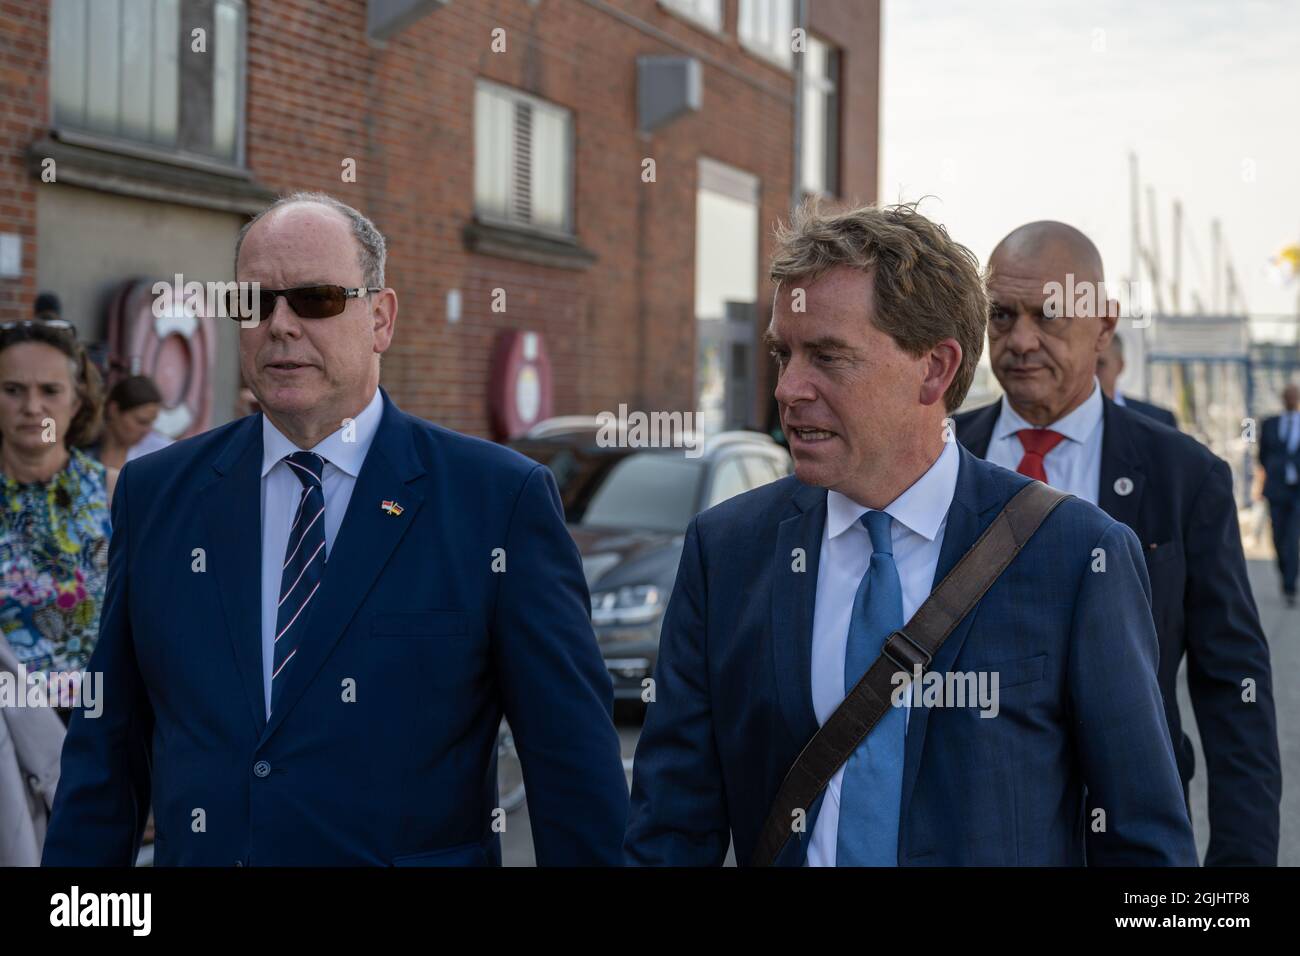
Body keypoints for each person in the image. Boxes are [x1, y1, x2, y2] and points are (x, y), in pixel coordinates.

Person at [43, 192, 628, 866]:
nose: (281, 325)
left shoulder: (497, 501)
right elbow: (106, 753)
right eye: (256, 303)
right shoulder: (157, 495)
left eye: (316, 299)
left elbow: (573, 772)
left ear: (380, 318)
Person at [624, 202, 1196, 866]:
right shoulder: (727, 552)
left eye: (828, 356)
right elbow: (670, 829)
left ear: (934, 369)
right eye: (784, 353)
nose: (788, 388)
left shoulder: (1076, 556)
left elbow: (1145, 842)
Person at [954, 220, 1281, 865]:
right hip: (963, 829)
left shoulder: (1184, 477)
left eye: (1048, 316)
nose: (1020, 340)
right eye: (1001, 315)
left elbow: (1233, 683)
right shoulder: (933, 456)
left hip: (1126, 840)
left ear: (1103, 323)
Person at [0, 320, 114, 724]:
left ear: (77, 402)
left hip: (92, 728)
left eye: (50, 391)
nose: (32, 408)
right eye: (13, 390)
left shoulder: (117, 493)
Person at [1258, 383, 1300, 607]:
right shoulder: (1270, 423)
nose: (1291, 399)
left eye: (1294, 396)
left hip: (1298, 493)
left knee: (1292, 537)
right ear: (1283, 399)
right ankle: (1286, 572)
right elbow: (1262, 455)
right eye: (1288, 396)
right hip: (1276, 490)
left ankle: (1290, 585)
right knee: (1277, 536)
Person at [1095, 332, 1177, 427]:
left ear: (1120, 366)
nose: (1091, 371)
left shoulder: (1158, 420)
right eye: (1086, 364)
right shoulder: (1074, 417)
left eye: (1100, 363)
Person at [91, 375, 174, 469]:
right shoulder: (84, 449)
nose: (147, 430)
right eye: (141, 422)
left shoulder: (161, 452)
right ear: (113, 410)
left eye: (151, 422)